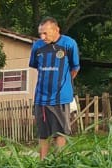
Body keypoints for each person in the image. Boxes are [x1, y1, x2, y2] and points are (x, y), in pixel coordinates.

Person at [30, 17, 80, 159]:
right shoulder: (37, 46)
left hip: (60, 97)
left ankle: (59, 163)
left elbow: (75, 68)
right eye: (40, 33)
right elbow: (37, 66)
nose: (42, 37)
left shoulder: (69, 44)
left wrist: (64, 83)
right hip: (41, 98)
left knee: (60, 133)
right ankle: (42, 163)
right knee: (43, 134)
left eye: (45, 33)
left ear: (56, 30)